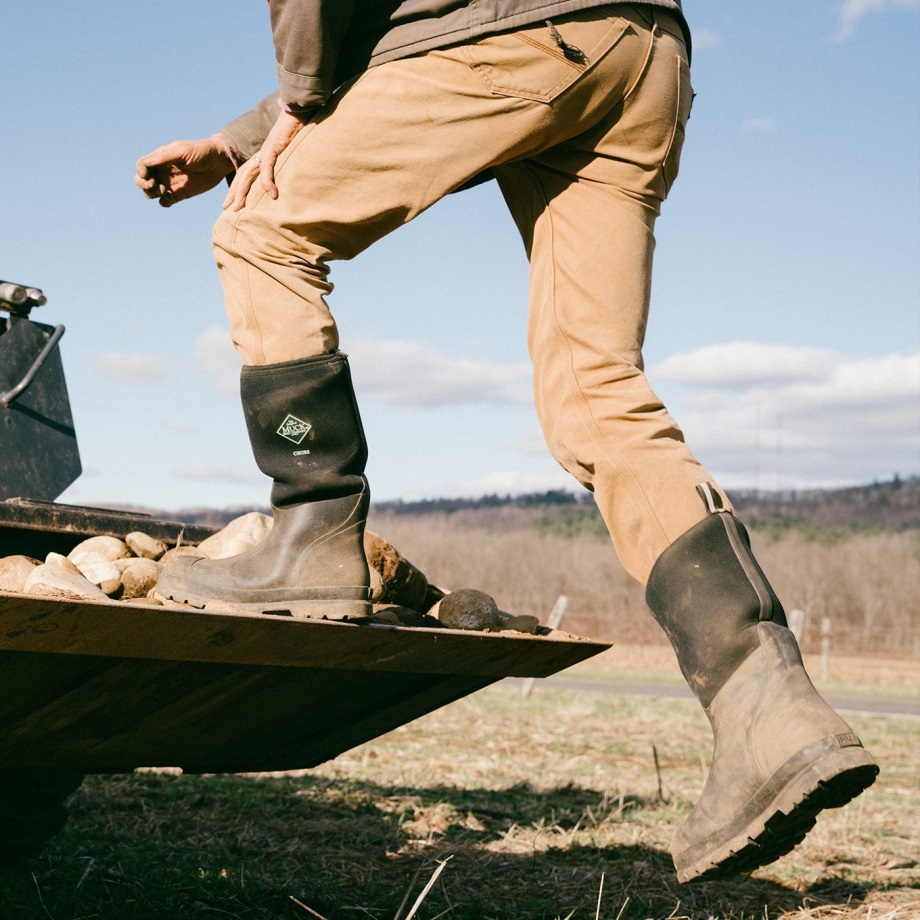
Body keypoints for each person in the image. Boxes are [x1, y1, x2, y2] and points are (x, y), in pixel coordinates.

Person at [135, 0, 878, 883]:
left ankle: (312, 528)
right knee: (595, 389)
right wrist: (240, 136)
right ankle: (769, 707)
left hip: (517, 37)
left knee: (260, 231)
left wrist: (292, 109)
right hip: (644, 53)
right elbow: (390, 27)